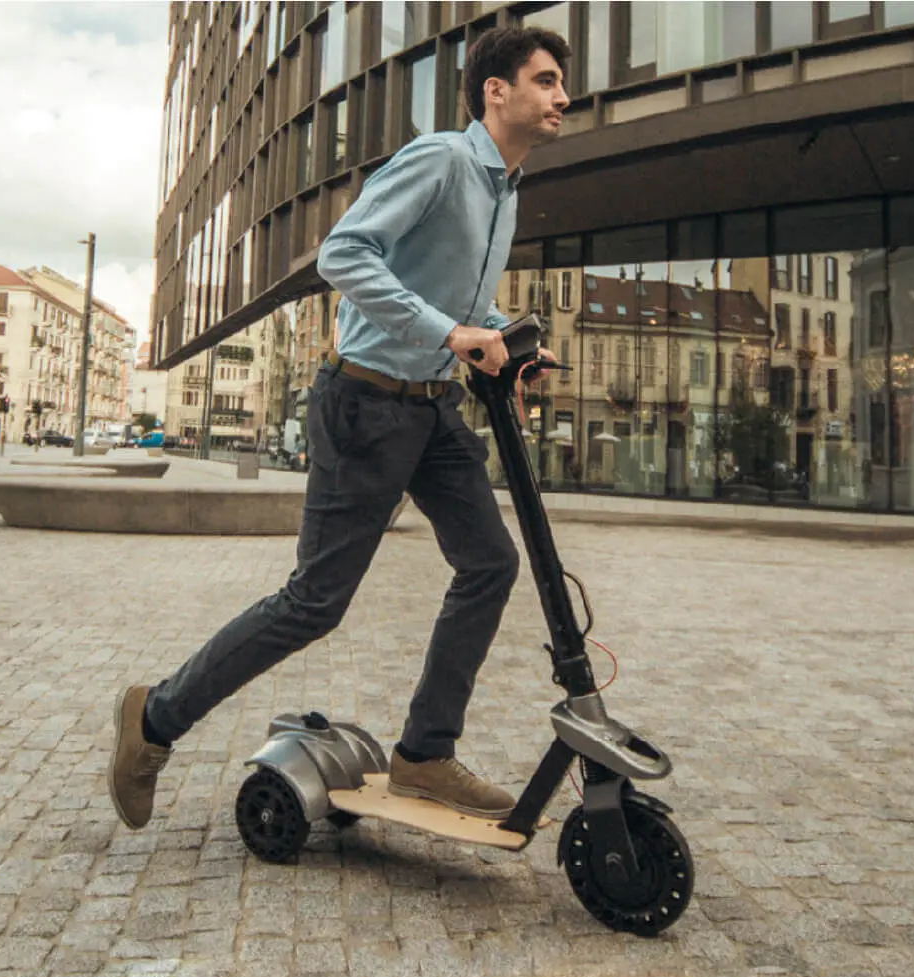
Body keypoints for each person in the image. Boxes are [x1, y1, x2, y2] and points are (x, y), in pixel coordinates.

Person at [107, 27, 572, 830]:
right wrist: (451, 333)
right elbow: (345, 255)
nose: (563, 96)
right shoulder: (441, 162)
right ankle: (154, 720)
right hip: (365, 404)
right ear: (496, 91)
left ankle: (425, 754)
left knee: (490, 562)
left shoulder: (506, 187)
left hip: (431, 407)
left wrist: (505, 333)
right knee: (315, 601)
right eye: (546, 80)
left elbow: (453, 305)